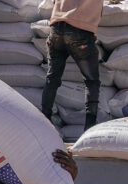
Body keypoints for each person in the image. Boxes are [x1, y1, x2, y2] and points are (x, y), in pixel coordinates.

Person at [41, 0, 104, 132]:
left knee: (52, 78)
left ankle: (44, 124)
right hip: (80, 32)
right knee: (91, 81)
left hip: (56, 29)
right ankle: (89, 130)